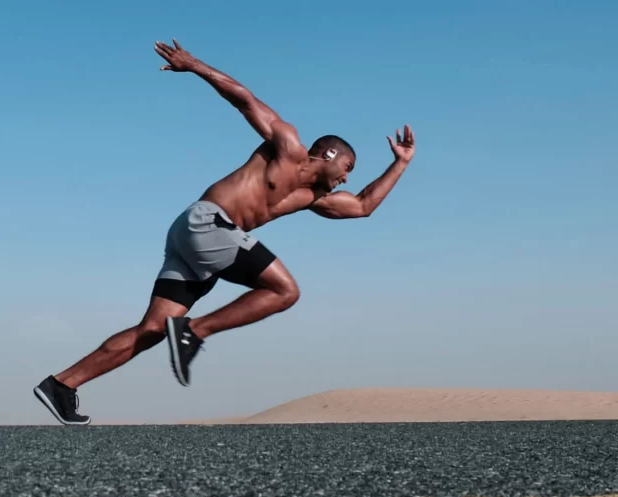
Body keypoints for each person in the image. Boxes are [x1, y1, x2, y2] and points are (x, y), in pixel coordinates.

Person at [33, 39, 416, 426]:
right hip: (207, 223)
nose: (347, 178)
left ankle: (62, 385)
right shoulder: (287, 146)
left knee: (153, 329)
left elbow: (363, 206)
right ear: (329, 156)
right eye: (348, 168)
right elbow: (244, 99)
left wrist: (400, 164)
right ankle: (194, 332)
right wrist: (194, 65)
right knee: (285, 291)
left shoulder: (312, 197)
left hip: (197, 241)